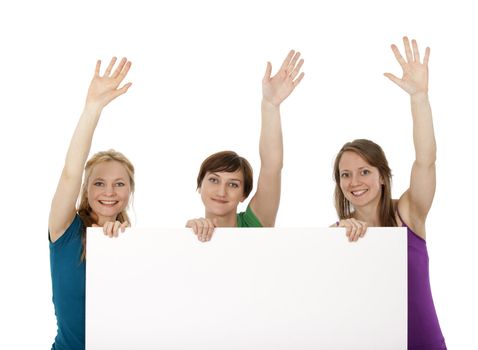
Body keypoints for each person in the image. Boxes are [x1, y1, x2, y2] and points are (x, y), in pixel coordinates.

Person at [332, 37, 446, 349]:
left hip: (423, 342)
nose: (355, 181)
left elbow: (426, 160)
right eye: (346, 174)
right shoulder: (335, 234)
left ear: (383, 176)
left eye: (365, 171)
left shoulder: (409, 213)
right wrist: (336, 241)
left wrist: (419, 98)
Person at [48, 57, 134, 350]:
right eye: (99, 182)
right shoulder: (65, 230)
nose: (109, 192)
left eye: (119, 184)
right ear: (85, 190)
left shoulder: (134, 243)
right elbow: (70, 172)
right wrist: (93, 108)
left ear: (129, 191)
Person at [187, 50, 305, 242]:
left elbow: (271, 166)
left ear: (243, 195)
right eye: (214, 180)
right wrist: (188, 236)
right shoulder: (187, 233)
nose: (221, 191)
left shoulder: (254, 225)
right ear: (199, 185)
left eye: (233, 184)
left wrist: (270, 105)